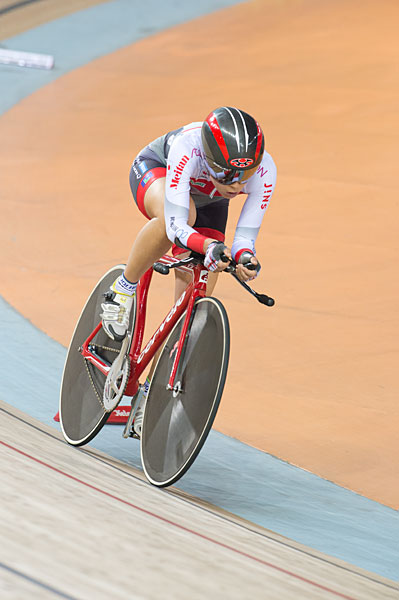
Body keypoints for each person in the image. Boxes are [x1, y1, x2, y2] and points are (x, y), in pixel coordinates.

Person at [100, 106, 277, 433]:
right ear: (208, 160)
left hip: (208, 201)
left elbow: (245, 238)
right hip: (158, 172)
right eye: (227, 174)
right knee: (186, 218)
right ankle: (122, 291)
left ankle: (149, 396)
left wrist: (245, 258)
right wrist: (208, 246)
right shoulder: (188, 146)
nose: (236, 185)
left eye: (245, 175)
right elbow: (176, 225)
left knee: (193, 306)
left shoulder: (265, 170)